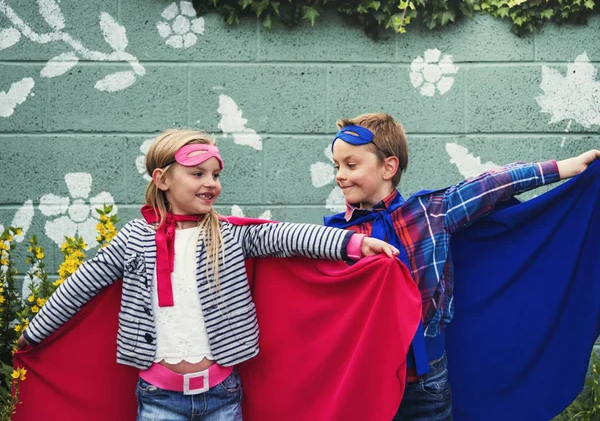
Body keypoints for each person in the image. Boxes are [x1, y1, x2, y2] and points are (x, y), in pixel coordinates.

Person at [17, 128, 398, 421]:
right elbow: (80, 286)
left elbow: (286, 235)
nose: (210, 183)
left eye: (215, 174)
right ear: (162, 180)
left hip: (222, 393)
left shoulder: (229, 235)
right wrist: (31, 336)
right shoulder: (134, 239)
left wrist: (354, 246)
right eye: (197, 173)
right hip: (157, 397)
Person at [323, 112, 600, 421]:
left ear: (388, 166)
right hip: (367, 381)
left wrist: (563, 168)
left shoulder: (431, 214)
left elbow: (493, 183)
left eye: (351, 165)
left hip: (426, 383)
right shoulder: (339, 238)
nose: (339, 175)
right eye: (337, 166)